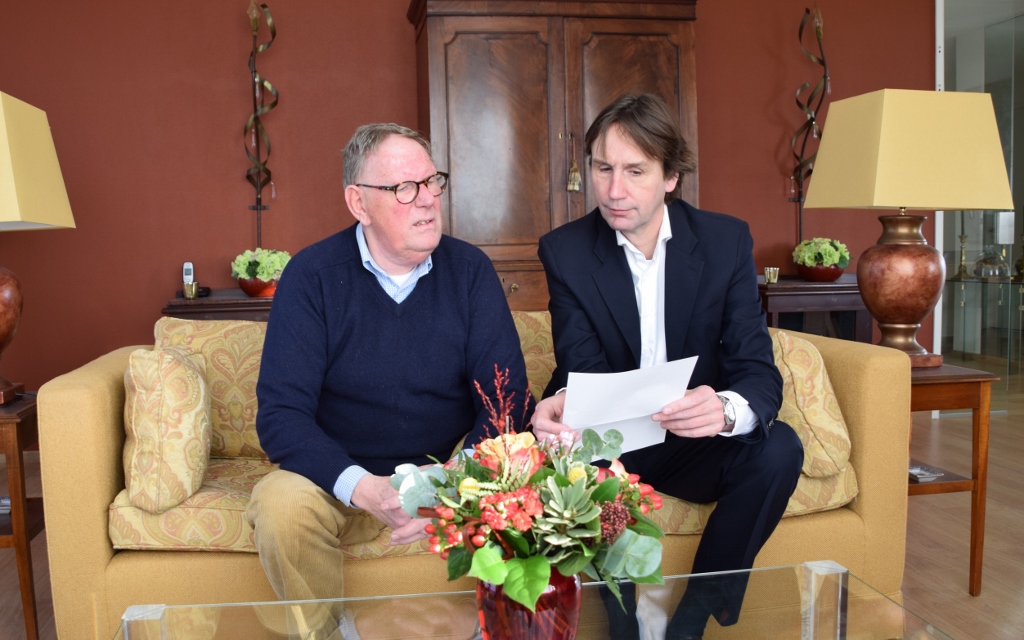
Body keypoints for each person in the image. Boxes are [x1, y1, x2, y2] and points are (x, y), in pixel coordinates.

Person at [532, 94, 804, 639]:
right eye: (603, 169)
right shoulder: (565, 250)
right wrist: (571, 412)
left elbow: (755, 366)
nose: (614, 190)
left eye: (635, 171)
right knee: (572, 467)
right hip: (606, 436)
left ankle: (692, 619)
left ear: (671, 177)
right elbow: (583, 365)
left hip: (689, 439)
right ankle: (623, 628)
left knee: (779, 448)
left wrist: (724, 410)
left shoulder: (725, 241)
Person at [247, 123, 533, 635]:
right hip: (337, 480)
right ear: (358, 202)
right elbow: (281, 415)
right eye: (404, 188)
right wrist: (362, 488)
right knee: (279, 504)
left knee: (528, 480)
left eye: (432, 182)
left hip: (449, 471)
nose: (426, 200)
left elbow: (505, 399)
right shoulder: (311, 276)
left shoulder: (469, 270)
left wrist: (453, 486)